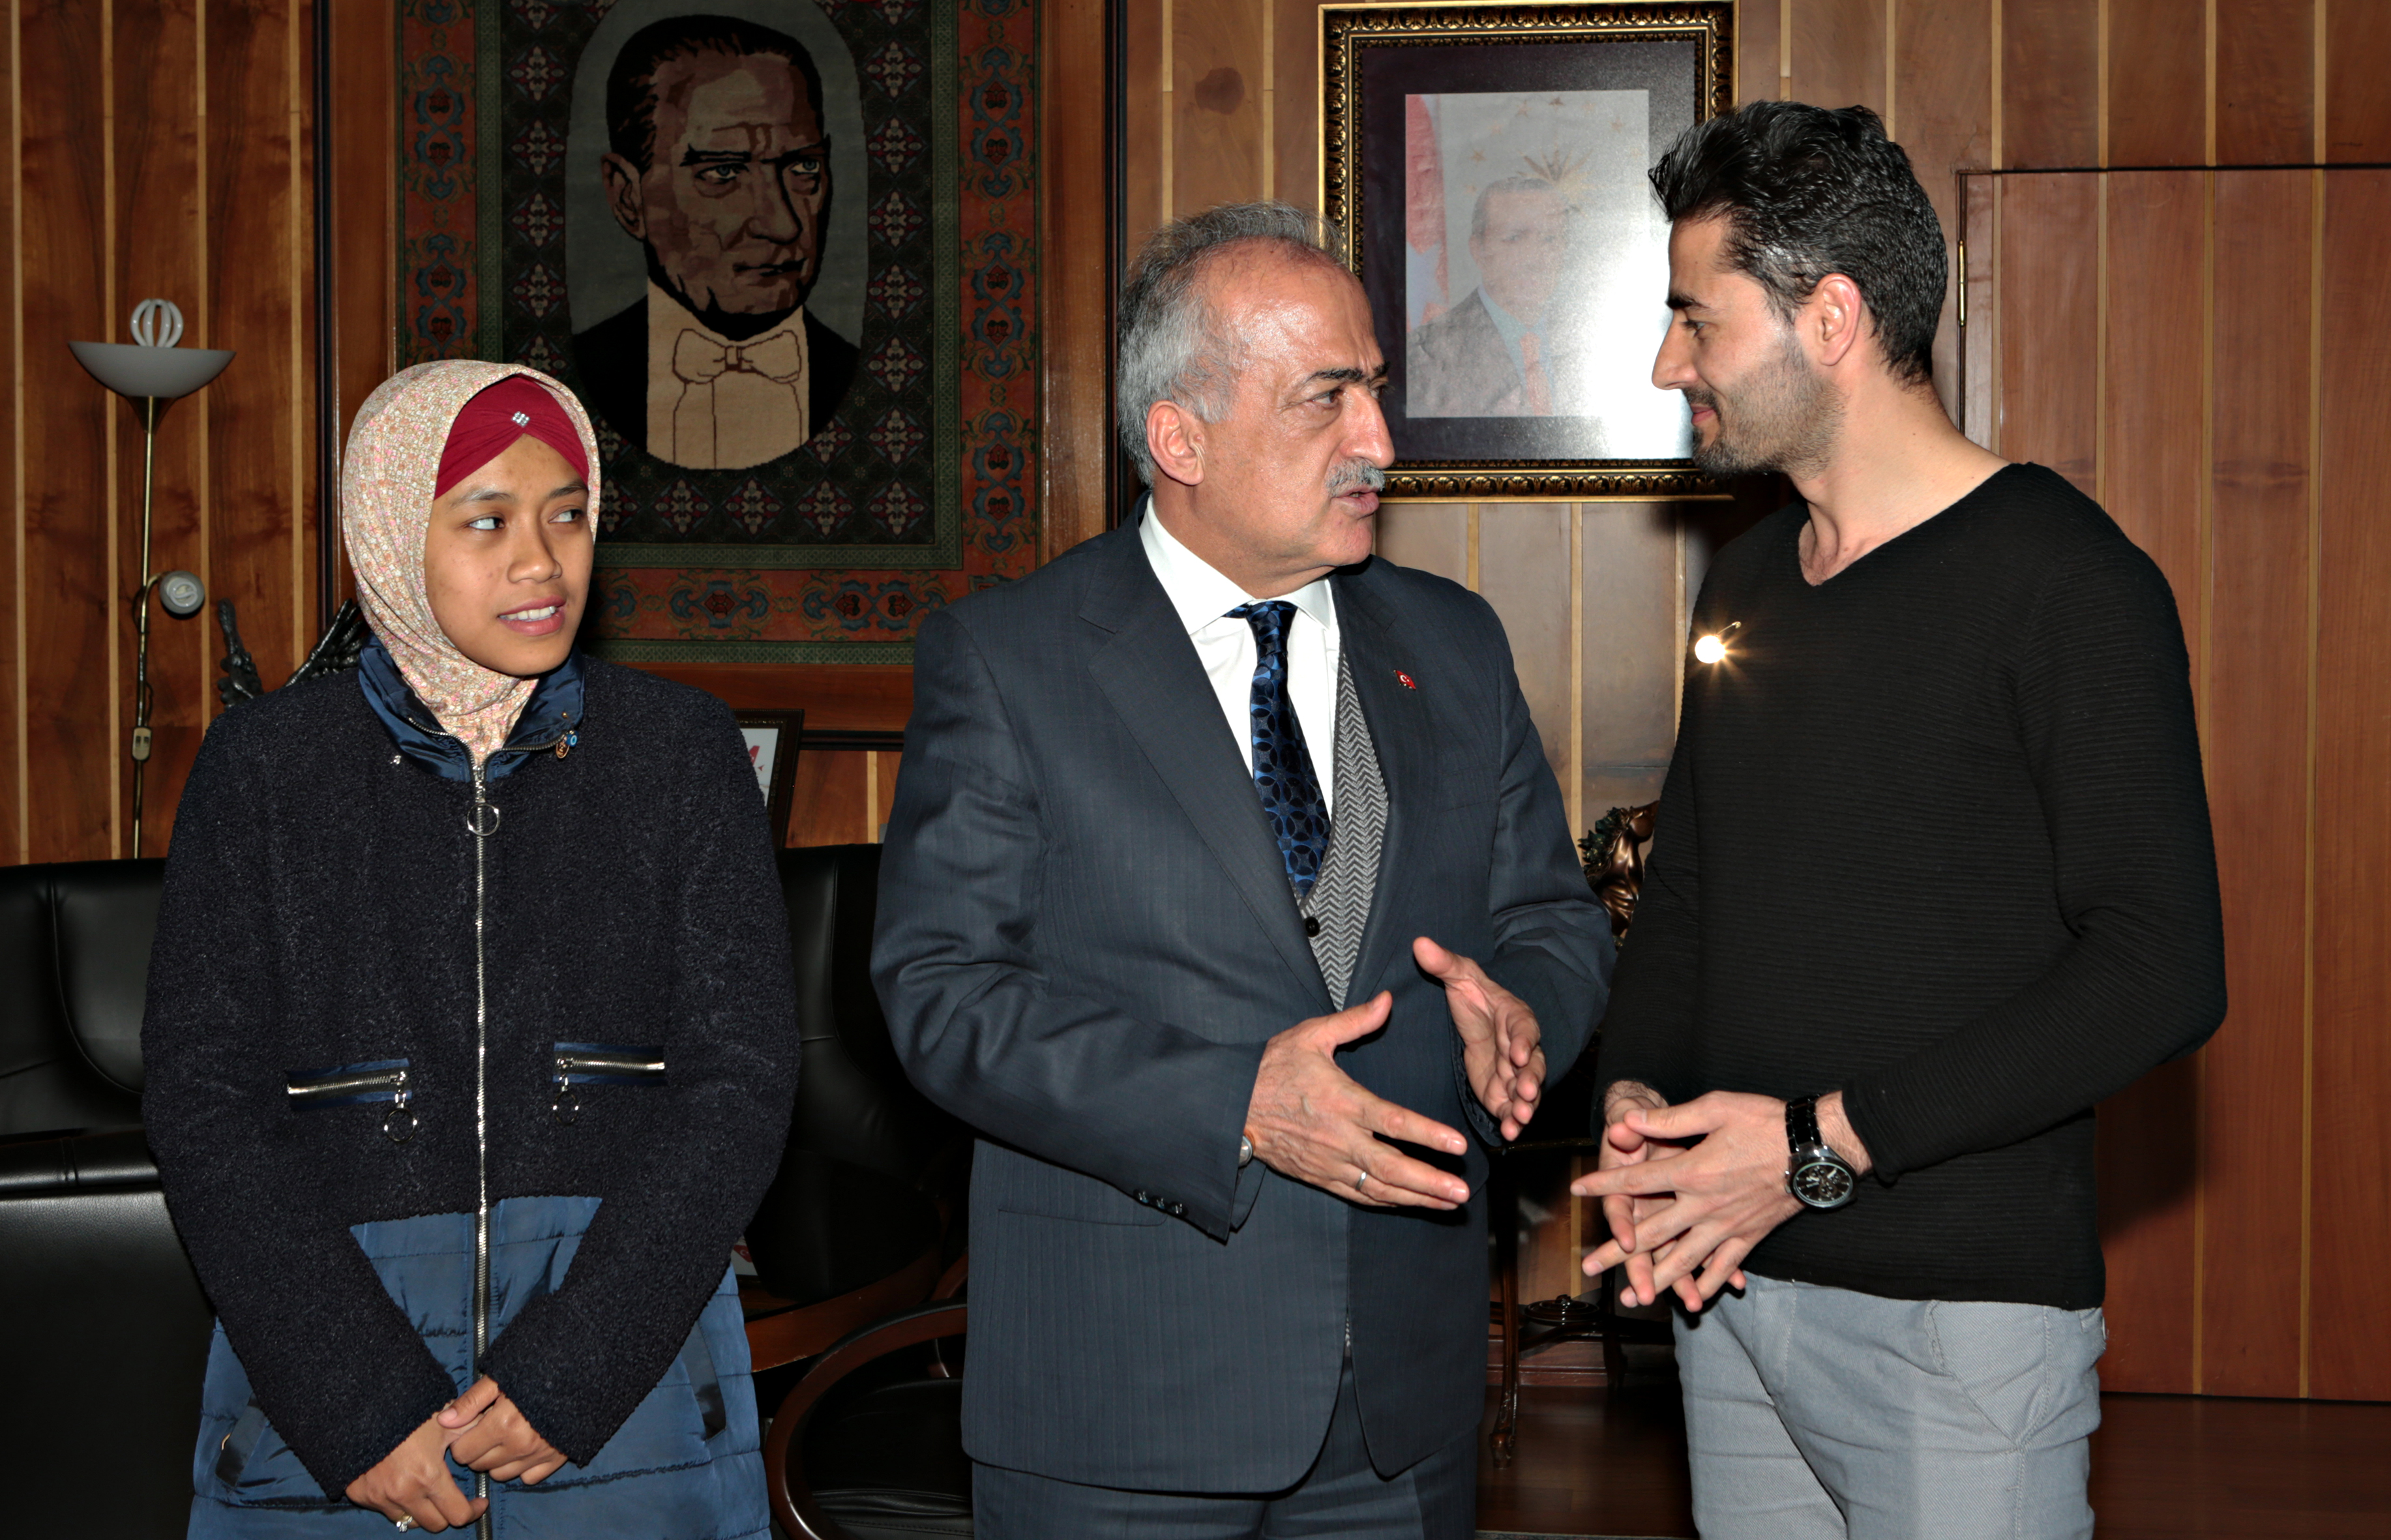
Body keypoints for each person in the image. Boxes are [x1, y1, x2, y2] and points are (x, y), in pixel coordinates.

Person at [872, 200, 1613, 1538]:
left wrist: (1526, 1022)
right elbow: (942, 996)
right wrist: (1236, 1105)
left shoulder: (1453, 643)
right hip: (1119, 1407)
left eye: (1374, 389)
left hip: (1398, 1413)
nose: (1379, 440)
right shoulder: (1010, 660)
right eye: (1327, 397)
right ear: (1181, 438)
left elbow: (1552, 919)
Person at [1569, 102, 2226, 1539]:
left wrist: (1821, 1142)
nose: (1670, 362)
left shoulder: (2069, 585)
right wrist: (1636, 1099)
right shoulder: (1747, 580)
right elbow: (1693, 894)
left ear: (1832, 318)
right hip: (1732, 1292)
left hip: (1954, 1321)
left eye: (1695, 316)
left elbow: (2161, 966)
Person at [143, 359, 797, 1537]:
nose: (543, 561)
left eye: (568, 514)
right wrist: (357, 1402)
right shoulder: (263, 772)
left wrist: (574, 1371)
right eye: (488, 520)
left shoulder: (682, 754)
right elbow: (205, 1105)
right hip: (323, 1409)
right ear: (393, 533)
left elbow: (740, 1083)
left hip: (631, 1401)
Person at [573, 15, 859, 468]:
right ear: (629, 198)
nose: (782, 224)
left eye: (803, 168)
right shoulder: (572, 379)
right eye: (723, 173)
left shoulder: (875, 381)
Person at [1406, 176, 1581, 417]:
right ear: (1478, 250)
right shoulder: (1426, 354)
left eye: (1550, 238)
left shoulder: (1593, 338)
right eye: (1514, 238)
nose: (1535, 258)